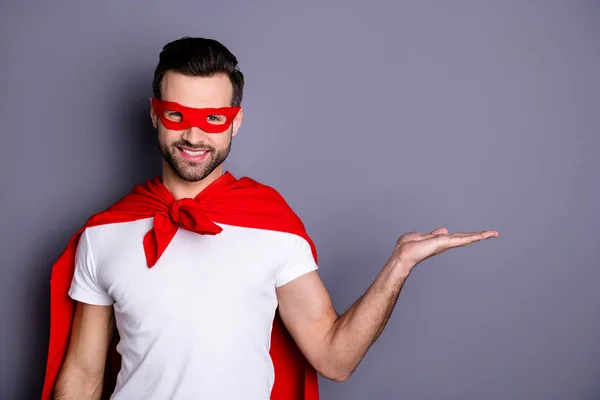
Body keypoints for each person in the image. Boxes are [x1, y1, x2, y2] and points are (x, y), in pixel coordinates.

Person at [41, 37, 498, 400]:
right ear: (154, 116)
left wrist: (398, 266)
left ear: (236, 122)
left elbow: (334, 358)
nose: (195, 134)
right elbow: (82, 375)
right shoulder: (105, 234)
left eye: (214, 118)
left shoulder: (272, 227)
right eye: (177, 115)